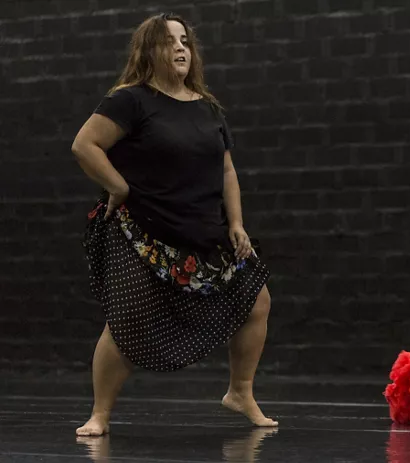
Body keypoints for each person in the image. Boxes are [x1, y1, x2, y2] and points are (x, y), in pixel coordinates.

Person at [70, 13, 278, 436]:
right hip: (142, 229)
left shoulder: (207, 107)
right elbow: (84, 144)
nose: (181, 47)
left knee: (257, 301)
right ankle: (100, 414)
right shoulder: (131, 99)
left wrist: (236, 223)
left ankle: (240, 392)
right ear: (150, 50)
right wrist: (118, 187)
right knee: (126, 319)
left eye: (185, 40)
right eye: (169, 41)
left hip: (202, 229)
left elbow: (226, 172)